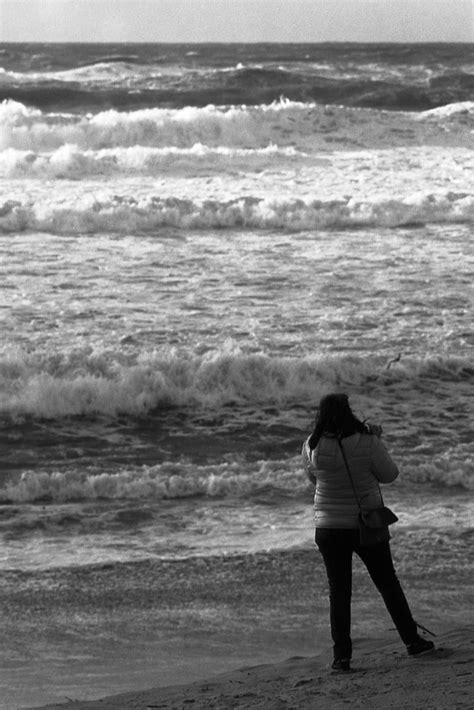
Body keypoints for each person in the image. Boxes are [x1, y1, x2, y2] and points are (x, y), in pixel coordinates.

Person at [302, 393, 434, 671]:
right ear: (348, 412)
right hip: (365, 524)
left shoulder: (311, 445)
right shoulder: (368, 441)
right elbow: (390, 474)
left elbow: (313, 477)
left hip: (327, 527)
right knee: (387, 582)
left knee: (339, 592)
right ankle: (412, 641)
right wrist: (376, 443)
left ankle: (342, 657)